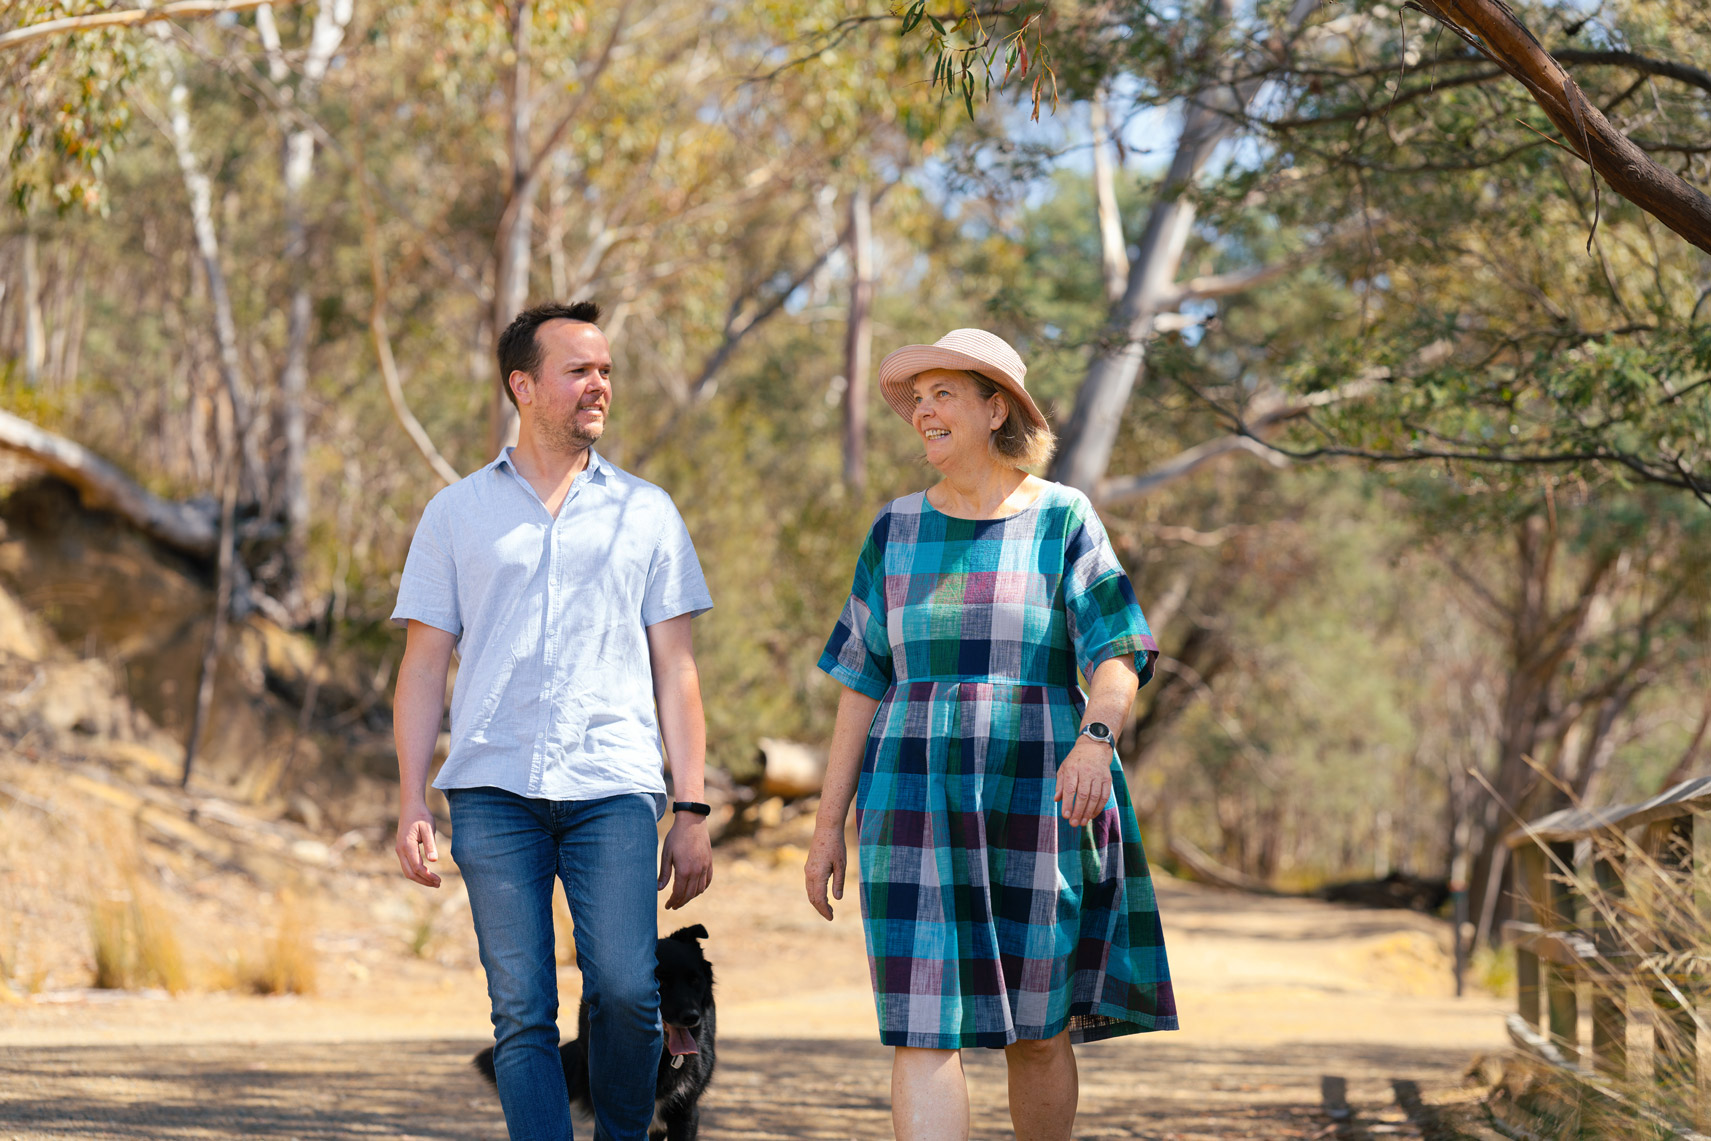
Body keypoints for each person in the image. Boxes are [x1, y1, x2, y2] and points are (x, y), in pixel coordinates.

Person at [804, 329, 1177, 1141]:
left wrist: (1096, 737)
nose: (923, 412)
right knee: (921, 1022)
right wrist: (827, 824)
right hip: (909, 800)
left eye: (943, 393)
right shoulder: (894, 529)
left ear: (994, 405)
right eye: (916, 399)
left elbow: (1118, 653)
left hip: (1038, 793)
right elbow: (861, 683)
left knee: (1037, 1029)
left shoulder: (1060, 517)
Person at [391, 300, 715, 1141]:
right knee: (523, 1010)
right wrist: (410, 800)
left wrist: (691, 807)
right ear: (523, 386)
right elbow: (423, 666)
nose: (599, 384)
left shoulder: (647, 511)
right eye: (579, 370)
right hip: (493, 792)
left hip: (612, 787)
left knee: (625, 992)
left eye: (605, 370)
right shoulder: (456, 513)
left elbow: (675, 668)